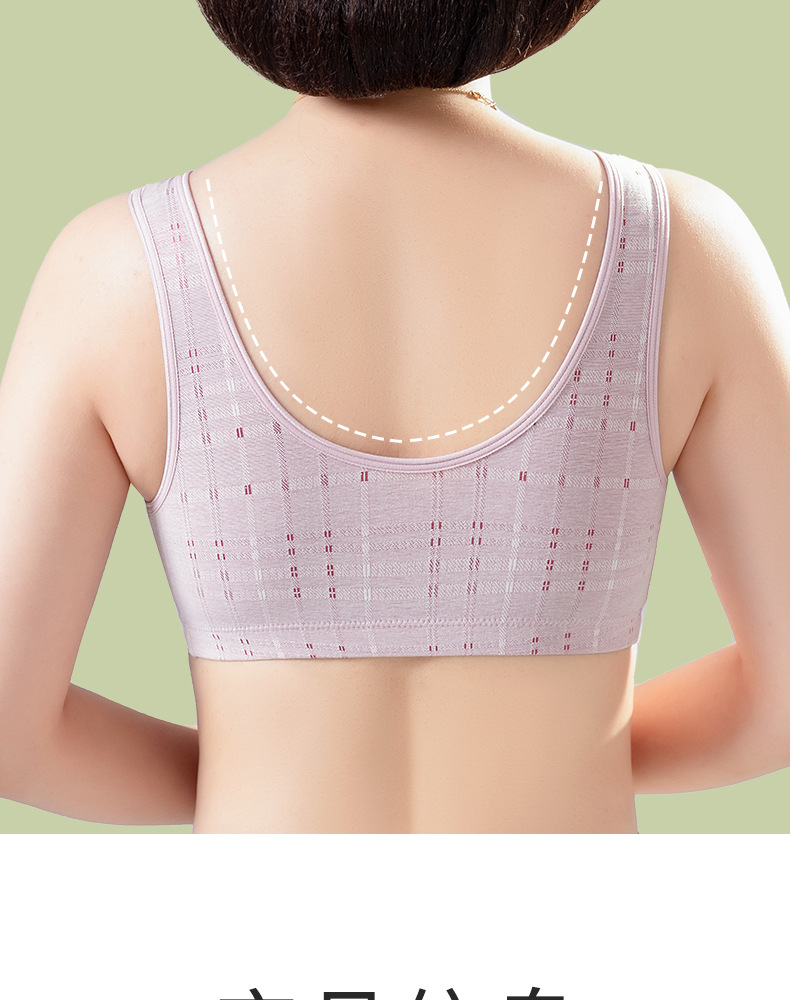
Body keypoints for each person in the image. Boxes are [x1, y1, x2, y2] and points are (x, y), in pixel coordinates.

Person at [0, 0, 789, 835]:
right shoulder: (676, 246)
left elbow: (11, 730)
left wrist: (247, 772)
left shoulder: (119, 269)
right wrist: (581, 754)